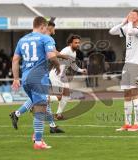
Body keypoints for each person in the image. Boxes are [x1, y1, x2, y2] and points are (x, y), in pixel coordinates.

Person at [11, 16, 61, 149]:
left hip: (26, 78)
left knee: (38, 105)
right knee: (40, 108)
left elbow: (15, 60)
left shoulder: (22, 40)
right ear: (43, 26)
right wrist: (58, 65)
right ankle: (38, 141)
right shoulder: (46, 38)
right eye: (46, 28)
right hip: (38, 78)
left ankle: (36, 135)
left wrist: (16, 78)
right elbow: (51, 56)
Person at [109, 9, 138, 131]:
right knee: (126, 94)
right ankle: (127, 123)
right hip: (128, 64)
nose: (130, 15)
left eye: (133, 14)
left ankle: (137, 123)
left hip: (137, 65)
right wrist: (124, 22)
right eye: (129, 14)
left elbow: (131, 31)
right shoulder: (128, 26)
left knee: (134, 92)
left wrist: (129, 23)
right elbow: (112, 31)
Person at [49, 34, 87, 120]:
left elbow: (73, 65)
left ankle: (58, 115)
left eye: (78, 43)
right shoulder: (66, 50)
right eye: (75, 43)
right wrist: (57, 67)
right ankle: (39, 101)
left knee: (66, 95)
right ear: (70, 44)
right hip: (56, 74)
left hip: (62, 76)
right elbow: (55, 55)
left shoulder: (74, 53)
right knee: (59, 97)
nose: (78, 44)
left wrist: (81, 70)